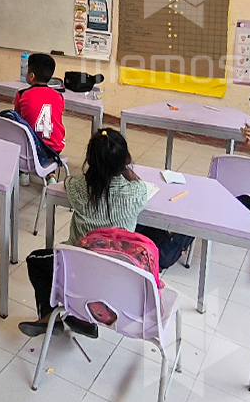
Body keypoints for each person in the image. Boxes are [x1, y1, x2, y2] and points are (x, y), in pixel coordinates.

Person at [17, 128, 156, 339]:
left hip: (77, 269)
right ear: (125, 161)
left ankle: (51, 317)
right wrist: (127, 170)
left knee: (36, 260)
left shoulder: (80, 188)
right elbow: (140, 184)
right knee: (86, 270)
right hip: (116, 276)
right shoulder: (135, 193)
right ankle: (80, 318)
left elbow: (70, 184)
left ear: (89, 159)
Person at [14, 53, 65, 185]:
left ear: (31, 76)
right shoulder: (59, 96)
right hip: (55, 149)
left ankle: (24, 172)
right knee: (48, 137)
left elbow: (18, 120)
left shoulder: (21, 94)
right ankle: (50, 174)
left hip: (31, 148)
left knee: (21, 132)